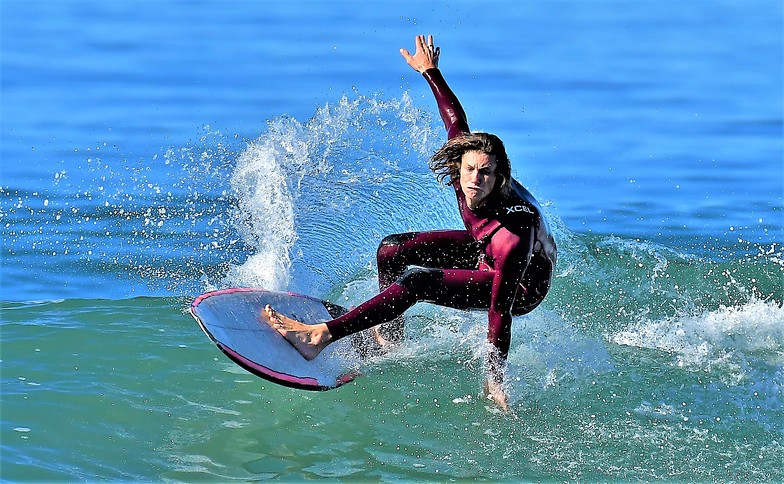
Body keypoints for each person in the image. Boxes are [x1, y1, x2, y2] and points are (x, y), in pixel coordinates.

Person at [262, 34, 557, 411]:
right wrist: (430, 71)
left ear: (499, 178)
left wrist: (494, 378)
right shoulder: (464, 165)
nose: (473, 180)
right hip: (484, 249)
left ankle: (320, 337)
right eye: (469, 170)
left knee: (417, 283)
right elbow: (455, 119)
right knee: (392, 249)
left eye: (485, 174)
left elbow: (500, 313)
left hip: (522, 284)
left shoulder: (513, 235)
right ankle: (390, 334)